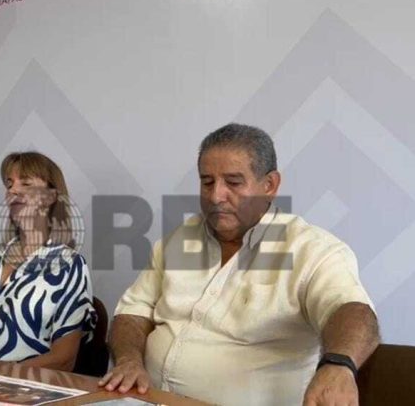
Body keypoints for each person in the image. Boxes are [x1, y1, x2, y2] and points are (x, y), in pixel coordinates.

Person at [101, 124, 379, 405]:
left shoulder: (312, 250)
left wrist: (339, 364)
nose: (216, 196)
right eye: (207, 182)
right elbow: (133, 312)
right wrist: (128, 360)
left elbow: (351, 311)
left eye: (233, 183)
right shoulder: (177, 240)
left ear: (269, 185)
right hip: (145, 400)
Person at [0, 151, 97, 371]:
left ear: (51, 197)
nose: (13, 190)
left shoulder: (69, 265)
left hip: (20, 385)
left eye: (26, 184)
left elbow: (64, 358)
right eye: (9, 184)